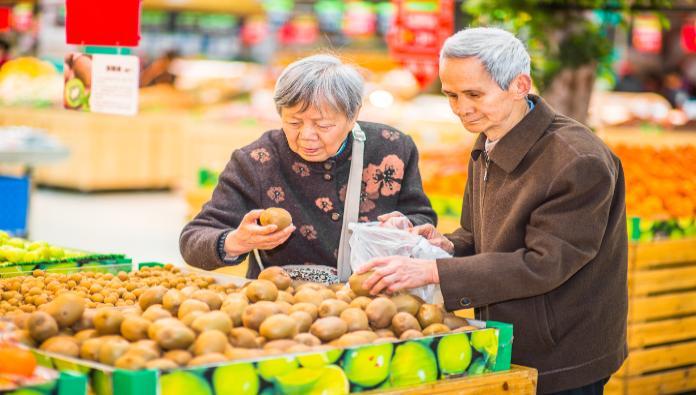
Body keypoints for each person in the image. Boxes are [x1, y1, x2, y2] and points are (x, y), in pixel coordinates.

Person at [360, 27, 628, 394]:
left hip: (564, 354)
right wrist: (445, 245)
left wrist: (431, 270)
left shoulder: (577, 160)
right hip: (507, 337)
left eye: (473, 94)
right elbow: (478, 235)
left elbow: (544, 263)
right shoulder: (490, 137)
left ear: (520, 85)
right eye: (451, 95)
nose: (460, 108)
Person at [180, 54, 436, 283]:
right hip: (282, 309)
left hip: (374, 302)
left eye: (323, 125)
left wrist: (405, 227)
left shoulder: (392, 148)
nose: (307, 136)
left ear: (353, 115)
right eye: (293, 122)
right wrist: (235, 242)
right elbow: (192, 240)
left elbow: (423, 219)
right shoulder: (255, 161)